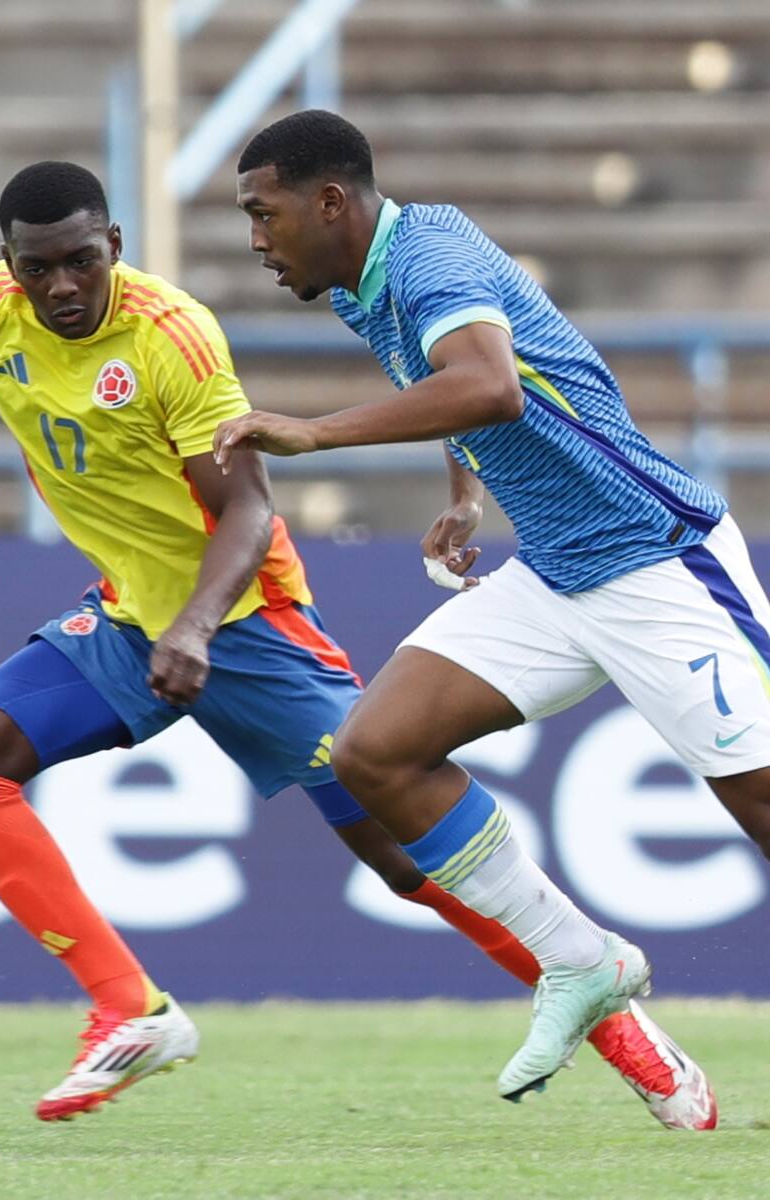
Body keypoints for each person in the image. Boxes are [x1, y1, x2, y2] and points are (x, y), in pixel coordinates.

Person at [0, 161, 706, 1128]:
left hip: (247, 622)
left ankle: (637, 1046)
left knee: (406, 863)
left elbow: (246, 511)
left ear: (114, 246)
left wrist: (195, 625)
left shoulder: (172, 338)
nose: (60, 286)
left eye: (79, 262)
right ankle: (129, 1009)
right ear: (6, 262)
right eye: (36, 267)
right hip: (131, 617)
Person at [214, 108, 759, 1122]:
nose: (255, 239)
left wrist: (314, 434)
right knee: (373, 750)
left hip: (656, 561)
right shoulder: (366, 281)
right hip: (554, 575)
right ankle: (579, 960)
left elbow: (492, 386)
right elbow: (463, 388)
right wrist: (466, 498)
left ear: (329, 202)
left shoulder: (426, 256)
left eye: (262, 212)